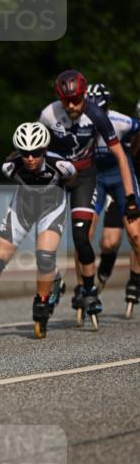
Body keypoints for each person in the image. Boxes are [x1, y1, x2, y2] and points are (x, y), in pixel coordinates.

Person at [38, 69, 140, 322]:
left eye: (77, 100)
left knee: (135, 234)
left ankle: (135, 280)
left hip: (115, 176)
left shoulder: (107, 118)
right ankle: (84, 285)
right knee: (84, 233)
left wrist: (130, 197)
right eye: (67, 100)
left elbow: (123, 155)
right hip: (91, 175)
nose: (73, 106)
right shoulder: (50, 114)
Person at [0, 122, 76, 337]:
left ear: (44, 150)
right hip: (23, 207)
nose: (30, 158)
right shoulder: (10, 166)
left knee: (45, 257)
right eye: (25, 153)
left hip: (51, 208)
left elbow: (72, 180)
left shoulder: (62, 166)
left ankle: (42, 302)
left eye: (36, 152)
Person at [85, 84, 140, 315]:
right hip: (109, 181)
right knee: (108, 241)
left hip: (123, 181)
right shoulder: (82, 124)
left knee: (136, 235)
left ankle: (135, 280)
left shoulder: (124, 123)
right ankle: (103, 269)